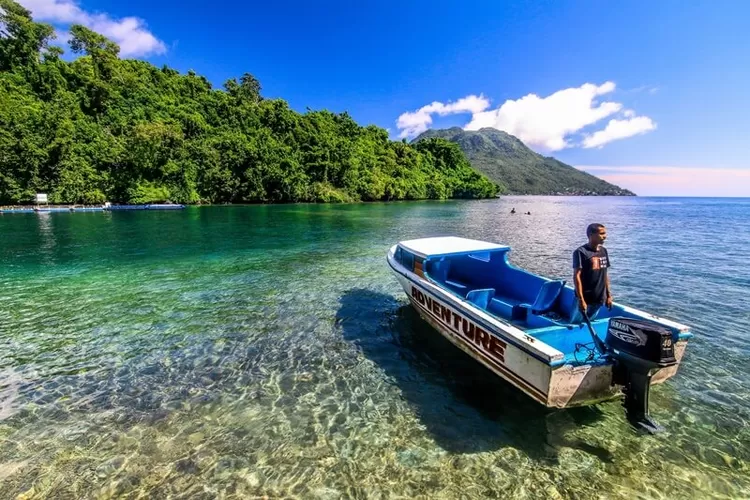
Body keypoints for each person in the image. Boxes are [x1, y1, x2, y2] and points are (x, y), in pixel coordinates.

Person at [572, 223, 612, 322]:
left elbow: (605, 274)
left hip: (598, 299)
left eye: (605, 233)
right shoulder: (580, 252)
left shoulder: (603, 251)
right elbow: (576, 276)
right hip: (585, 299)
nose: (604, 236)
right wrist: (581, 300)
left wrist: (608, 295)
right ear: (591, 235)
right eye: (601, 233)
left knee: (589, 324)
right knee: (575, 325)